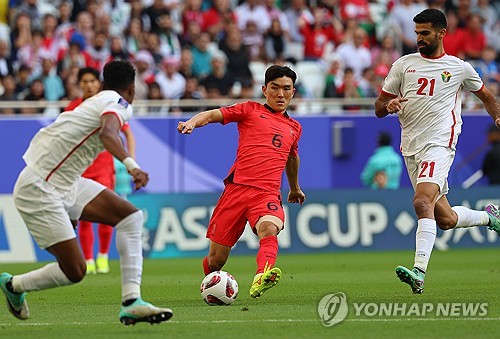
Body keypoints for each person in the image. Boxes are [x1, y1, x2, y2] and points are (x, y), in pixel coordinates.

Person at [0, 60, 173, 325]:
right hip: (40, 187)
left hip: (65, 181)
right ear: (132, 88)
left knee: (130, 217)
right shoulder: (118, 103)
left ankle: (131, 302)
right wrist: (133, 166)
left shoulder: (97, 100)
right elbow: (108, 133)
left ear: (103, 83)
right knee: (75, 270)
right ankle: (14, 285)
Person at [374, 9, 500, 294]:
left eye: (425, 33)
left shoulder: (459, 68)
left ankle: (418, 272)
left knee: (421, 203)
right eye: (417, 33)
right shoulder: (403, 65)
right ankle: (491, 218)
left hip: (440, 144)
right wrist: (389, 106)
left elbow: (488, 97)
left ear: (441, 33)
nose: (419, 38)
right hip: (412, 148)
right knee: (444, 219)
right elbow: (379, 107)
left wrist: (498, 117)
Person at [177, 65, 305, 299]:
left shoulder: (295, 127)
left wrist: (295, 188)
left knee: (269, 229)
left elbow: (292, 157)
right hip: (237, 190)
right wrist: (193, 121)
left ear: (293, 92)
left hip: (266, 194)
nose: (280, 94)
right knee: (216, 260)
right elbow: (214, 114)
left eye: (286, 89)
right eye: (275, 88)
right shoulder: (250, 110)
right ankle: (212, 284)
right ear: (265, 90)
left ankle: (261, 277)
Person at [65, 67, 136, 275]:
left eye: (92, 81)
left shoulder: (108, 104)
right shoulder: (73, 107)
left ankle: (103, 256)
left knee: (106, 212)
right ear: (79, 84)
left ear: (99, 84)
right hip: (81, 169)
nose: (88, 85)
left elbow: (128, 134)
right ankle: (88, 259)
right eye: (84, 81)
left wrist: (130, 161)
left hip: (104, 168)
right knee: (84, 216)